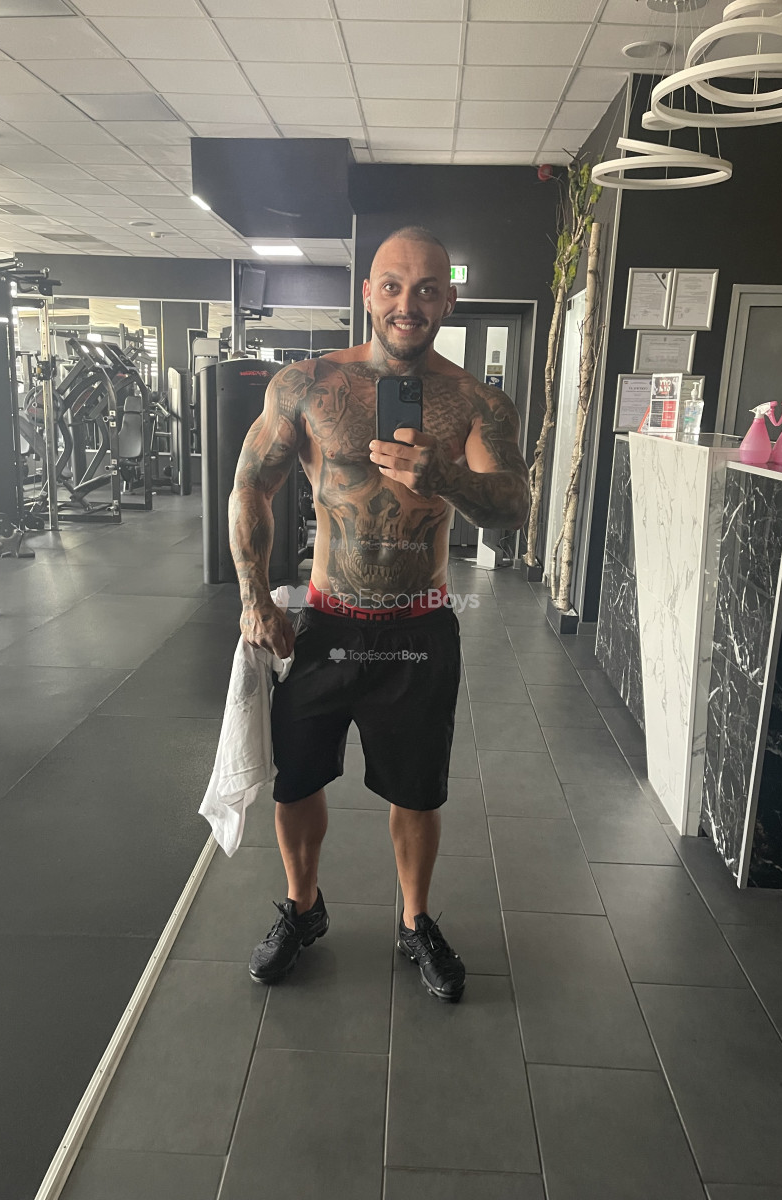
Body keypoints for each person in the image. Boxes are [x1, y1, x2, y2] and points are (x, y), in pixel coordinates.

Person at [228, 226, 530, 1003]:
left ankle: (415, 921)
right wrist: (254, 596)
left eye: (427, 289)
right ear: (367, 292)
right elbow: (251, 484)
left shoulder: (478, 401)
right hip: (325, 623)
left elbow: (513, 509)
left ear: (448, 300)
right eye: (392, 286)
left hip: (419, 628)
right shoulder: (305, 384)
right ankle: (302, 908)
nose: (408, 303)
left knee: (417, 792)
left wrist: (446, 475)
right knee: (296, 781)